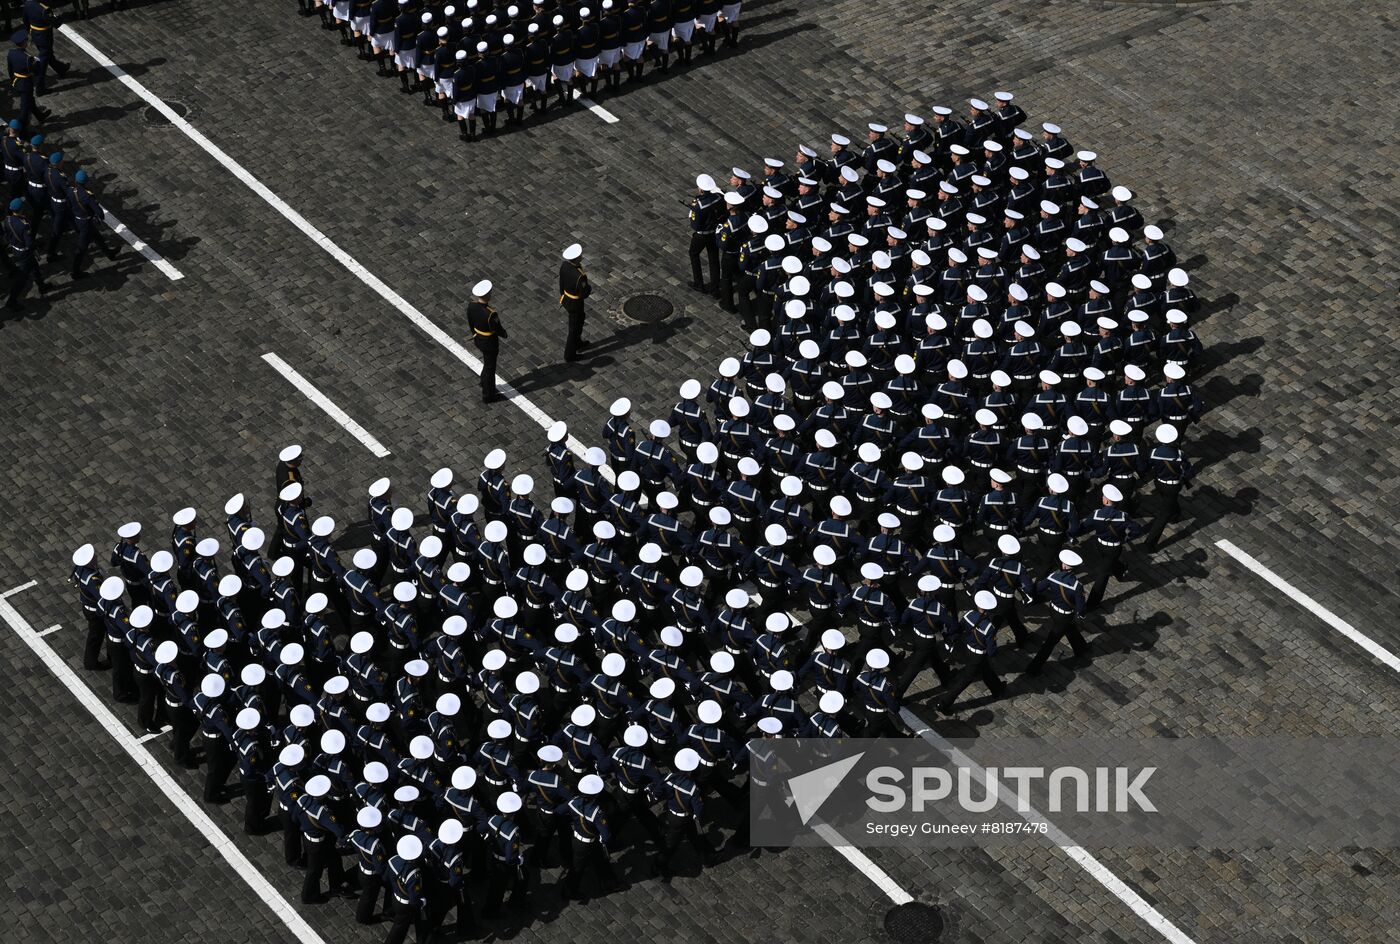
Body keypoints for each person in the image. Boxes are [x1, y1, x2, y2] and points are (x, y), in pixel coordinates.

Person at [467, 279, 507, 403]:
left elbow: (471, 323)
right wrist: (504, 334)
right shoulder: (491, 314)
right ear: (488, 295)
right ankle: (488, 395)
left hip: (478, 339)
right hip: (489, 342)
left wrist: (474, 335)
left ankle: (483, 382)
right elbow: (498, 329)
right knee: (490, 368)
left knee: (487, 364)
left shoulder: (471, 306)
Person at [4, 196, 46, 309]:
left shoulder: (7, 220)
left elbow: (7, 235)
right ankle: (11, 301)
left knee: (35, 267)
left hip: (16, 249)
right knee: (22, 279)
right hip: (24, 253)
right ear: (21, 209)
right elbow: (30, 244)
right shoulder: (23, 226)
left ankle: (42, 285)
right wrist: (36, 245)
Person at [559, 242, 592, 362]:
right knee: (574, 328)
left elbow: (561, 284)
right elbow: (585, 293)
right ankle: (569, 355)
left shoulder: (564, 265)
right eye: (580, 256)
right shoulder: (580, 276)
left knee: (579, 321)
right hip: (576, 303)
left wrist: (563, 295)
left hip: (567, 299)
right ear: (576, 259)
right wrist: (589, 288)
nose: (581, 257)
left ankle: (577, 343)